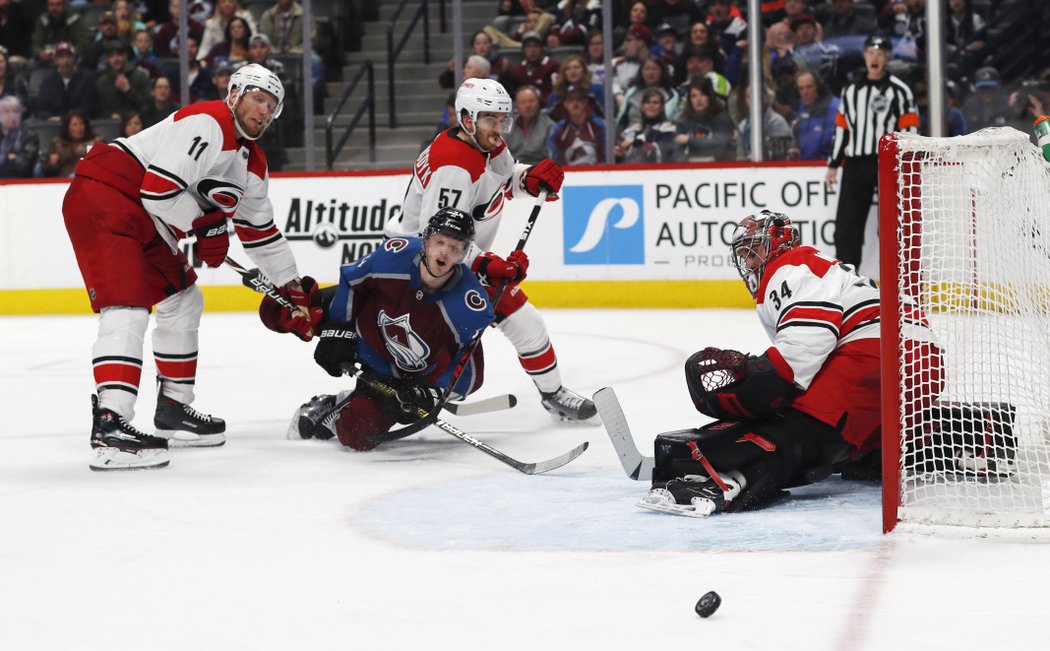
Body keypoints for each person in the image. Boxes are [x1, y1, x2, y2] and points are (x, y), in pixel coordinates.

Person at [63, 64, 319, 471]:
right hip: (107, 196)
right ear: (234, 95)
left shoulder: (251, 165)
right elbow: (158, 191)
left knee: (183, 301)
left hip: (143, 217)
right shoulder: (209, 121)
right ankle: (111, 424)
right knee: (127, 307)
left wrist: (292, 287)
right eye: (257, 98)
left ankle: (173, 410)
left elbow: (260, 232)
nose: (263, 111)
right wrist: (208, 223)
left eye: (271, 106)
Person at [637, 210, 942, 517]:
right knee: (833, 422)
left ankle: (728, 479)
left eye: (752, 252)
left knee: (797, 426)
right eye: (743, 255)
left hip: (878, 354)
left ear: (776, 245)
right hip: (919, 361)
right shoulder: (817, 265)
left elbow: (807, 345)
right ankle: (926, 438)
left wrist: (763, 377)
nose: (750, 263)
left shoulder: (788, 268)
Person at [385, 78, 598, 422]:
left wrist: (526, 179)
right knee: (429, 350)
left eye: (503, 119)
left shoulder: (486, 143)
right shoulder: (453, 166)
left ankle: (552, 394)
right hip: (417, 267)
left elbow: (499, 180)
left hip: (449, 263)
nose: (499, 128)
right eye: (490, 119)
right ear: (467, 119)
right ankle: (367, 400)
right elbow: (433, 239)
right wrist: (484, 264)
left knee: (524, 322)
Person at [275, 208, 502, 449]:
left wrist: (432, 394)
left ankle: (337, 404)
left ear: (464, 254)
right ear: (426, 240)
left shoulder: (469, 305)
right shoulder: (395, 255)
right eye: (439, 241)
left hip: (404, 381)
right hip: (366, 339)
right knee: (276, 310)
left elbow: (470, 373)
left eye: (455, 247)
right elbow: (352, 281)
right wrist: (338, 332)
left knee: (356, 435)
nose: (444, 251)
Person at [825, 34, 917, 267]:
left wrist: (908, 164)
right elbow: (842, 130)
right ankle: (847, 281)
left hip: (887, 163)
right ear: (864, 56)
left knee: (893, 225)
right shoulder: (851, 91)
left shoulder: (900, 91)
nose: (874, 58)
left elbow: (910, 130)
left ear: (886, 58)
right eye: (870, 53)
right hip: (855, 164)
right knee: (846, 226)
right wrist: (833, 165)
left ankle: (899, 279)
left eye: (879, 54)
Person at [673, 77, 736, 162]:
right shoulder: (684, 121)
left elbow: (722, 146)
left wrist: (689, 140)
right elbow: (676, 150)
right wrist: (687, 161)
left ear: (709, 97)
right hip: (689, 170)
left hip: (718, 169)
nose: (698, 100)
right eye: (694, 96)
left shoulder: (722, 119)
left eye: (702, 95)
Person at [33, 41, 96, 120]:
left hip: (80, 124)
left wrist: (65, 118)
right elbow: (41, 109)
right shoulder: (48, 81)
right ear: (55, 60)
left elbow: (89, 107)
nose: (66, 61)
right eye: (61, 57)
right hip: (54, 126)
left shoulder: (87, 78)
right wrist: (49, 117)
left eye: (69, 56)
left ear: (74, 58)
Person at [548, 84, 606, 166]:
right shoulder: (557, 129)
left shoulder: (600, 125)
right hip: (567, 176)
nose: (575, 103)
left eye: (579, 99)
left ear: (585, 102)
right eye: (571, 100)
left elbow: (607, 156)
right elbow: (554, 161)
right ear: (565, 104)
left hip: (598, 174)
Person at [615, 88, 676, 163]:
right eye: (647, 102)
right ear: (642, 107)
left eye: (655, 102)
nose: (651, 105)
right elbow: (623, 151)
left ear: (662, 108)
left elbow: (666, 149)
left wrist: (636, 142)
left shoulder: (669, 128)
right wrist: (619, 153)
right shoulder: (633, 129)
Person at [96, 39, 151, 120]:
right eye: (112, 56)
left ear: (125, 56)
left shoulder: (139, 76)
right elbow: (99, 110)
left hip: (138, 123)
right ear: (107, 59)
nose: (116, 59)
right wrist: (109, 116)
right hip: (112, 125)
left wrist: (128, 91)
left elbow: (148, 107)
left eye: (119, 55)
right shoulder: (102, 82)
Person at [790, 70, 839, 161]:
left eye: (809, 87)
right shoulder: (803, 106)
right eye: (801, 88)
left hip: (827, 164)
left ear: (818, 86)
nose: (805, 92)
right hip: (805, 166)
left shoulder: (835, 107)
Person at [40, 109, 100, 177]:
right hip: (63, 181)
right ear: (67, 127)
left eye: (81, 124)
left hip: (89, 179)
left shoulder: (96, 142)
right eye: (75, 125)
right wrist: (52, 164)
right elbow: (46, 170)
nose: (79, 128)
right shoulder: (57, 144)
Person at [505, 84, 553, 165]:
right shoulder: (507, 125)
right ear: (516, 105)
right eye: (523, 102)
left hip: (540, 169)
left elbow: (552, 155)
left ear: (538, 103)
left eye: (531, 101)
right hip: (513, 169)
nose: (528, 105)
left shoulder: (549, 125)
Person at [0, 96, 37, 178]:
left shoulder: (30, 136)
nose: (12, 115)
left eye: (15, 111)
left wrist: (4, 158)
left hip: (21, 183)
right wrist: (9, 157)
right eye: (7, 111)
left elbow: (23, 166)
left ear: (20, 115)